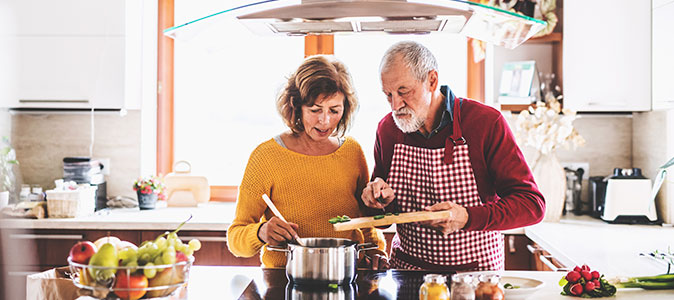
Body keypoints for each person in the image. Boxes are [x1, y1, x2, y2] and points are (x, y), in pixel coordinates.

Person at [361, 41, 545, 271]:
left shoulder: (485, 123)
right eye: (388, 94)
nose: (395, 105)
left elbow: (532, 205)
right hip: (407, 272)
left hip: (475, 276)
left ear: (432, 80)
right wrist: (379, 200)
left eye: (403, 91)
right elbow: (379, 212)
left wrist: (467, 217)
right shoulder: (388, 129)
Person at [227, 55, 388, 269]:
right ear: (296, 106)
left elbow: (366, 221)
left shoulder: (352, 151)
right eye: (315, 110)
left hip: (346, 273)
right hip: (285, 279)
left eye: (334, 110)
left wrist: (375, 250)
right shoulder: (266, 157)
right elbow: (236, 239)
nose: (325, 121)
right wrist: (260, 232)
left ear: (345, 109)